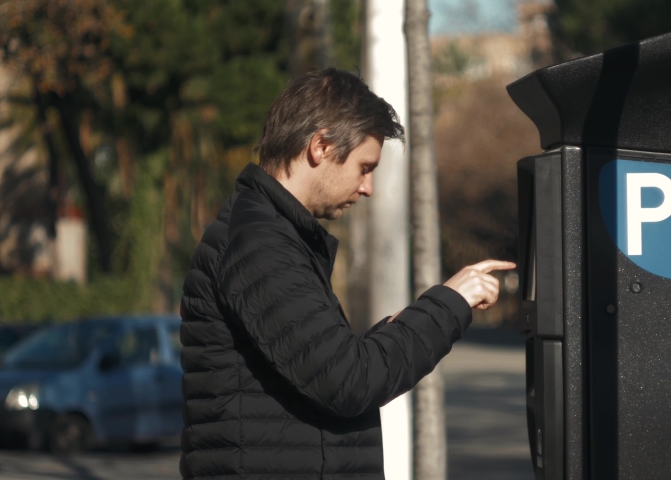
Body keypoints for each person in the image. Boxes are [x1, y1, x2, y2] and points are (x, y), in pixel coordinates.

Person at [179, 68, 515, 479]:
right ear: (320, 146)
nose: (368, 187)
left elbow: (320, 365)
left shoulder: (271, 235)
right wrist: (448, 305)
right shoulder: (260, 243)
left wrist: (401, 327)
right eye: (364, 166)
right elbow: (347, 381)